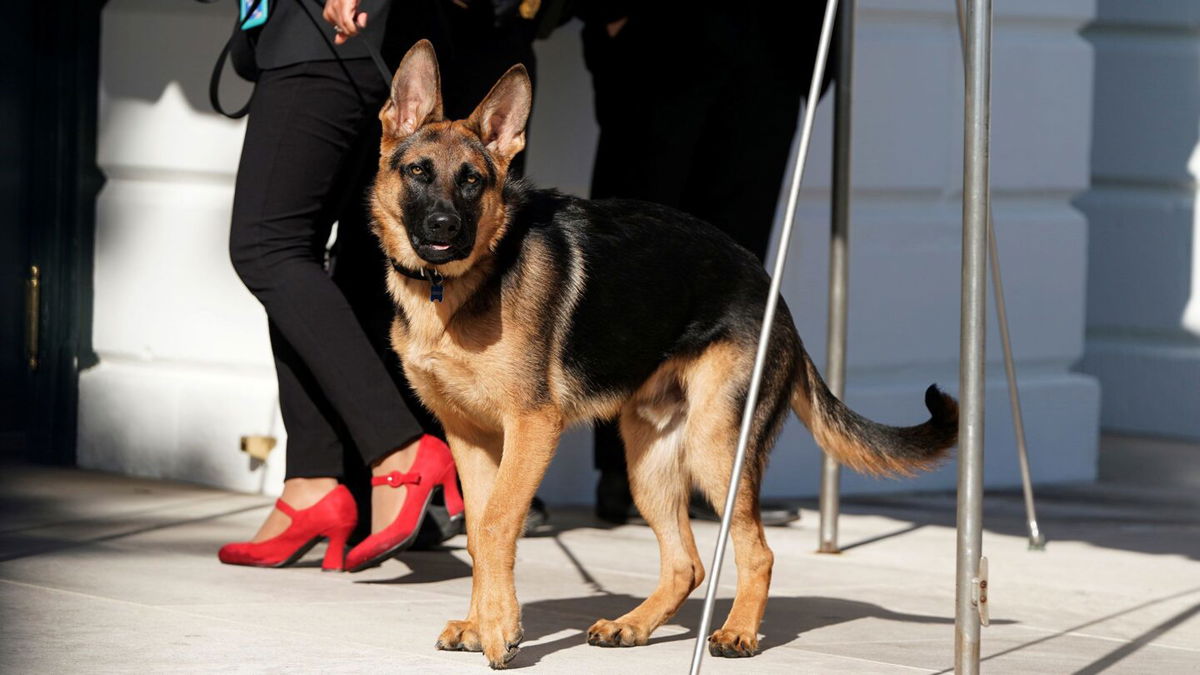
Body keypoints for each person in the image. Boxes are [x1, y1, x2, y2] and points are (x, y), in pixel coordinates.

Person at [217, 0, 541, 572]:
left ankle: (400, 449)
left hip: (330, 32)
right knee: (337, 259)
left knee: (267, 244)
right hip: (360, 35)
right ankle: (315, 484)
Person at [578, 1, 833, 523]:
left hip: (774, 40)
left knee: (734, 267)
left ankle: (706, 475)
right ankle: (623, 475)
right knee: (632, 252)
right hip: (663, 29)